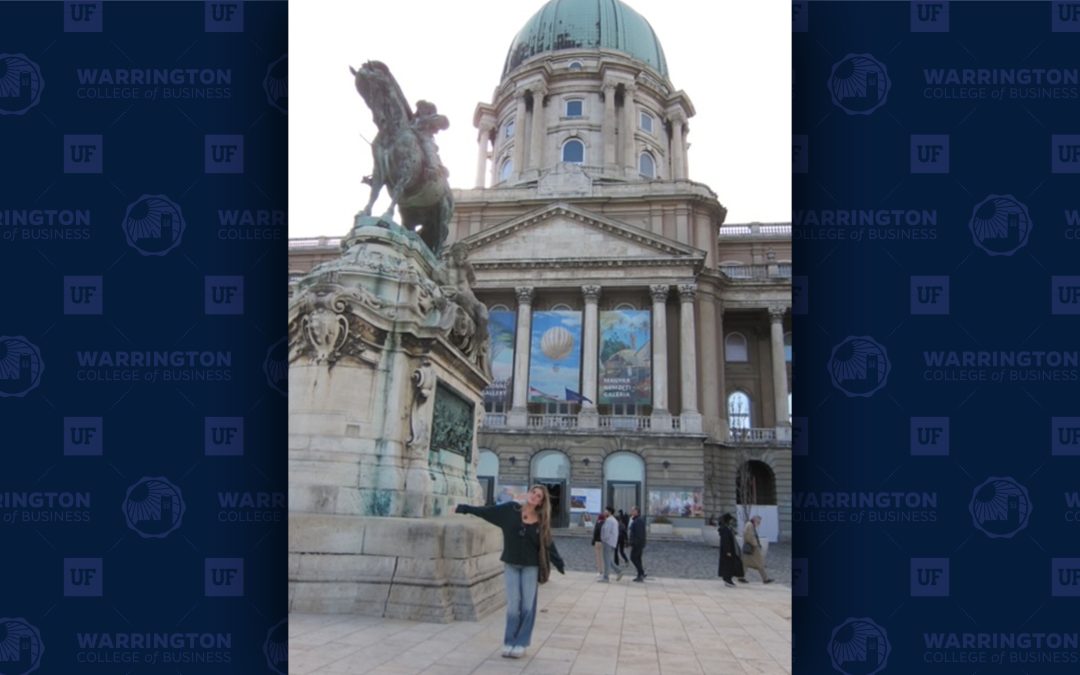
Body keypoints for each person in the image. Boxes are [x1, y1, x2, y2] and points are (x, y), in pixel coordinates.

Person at [456, 485, 565, 658]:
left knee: (527, 606)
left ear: (541, 502)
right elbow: (487, 512)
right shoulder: (509, 510)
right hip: (511, 564)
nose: (535, 497)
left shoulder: (541, 519)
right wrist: (464, 508)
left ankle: (521, 643)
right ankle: (509, 641)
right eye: (534, 493)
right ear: (528, 493)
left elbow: (548, 543)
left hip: (531, 566)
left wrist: (558, 562)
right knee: (513, 606)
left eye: (539, 496)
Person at [741, 515, 774, 584]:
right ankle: (765, 579)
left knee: (746, 563)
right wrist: (755, 544)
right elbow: (749, 536)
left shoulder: (750, 524)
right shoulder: (750, 525)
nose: (759, 523)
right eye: (758, 522)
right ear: (755, 520)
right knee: (758, 563)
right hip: (752, 548)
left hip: (751, 548)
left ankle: (741, 577)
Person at [717, 513, 744, 588]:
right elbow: (725, 542)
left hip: (731, 551)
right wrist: (728, 551)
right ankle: (727, 579)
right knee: (728, 566)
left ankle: (728, 579)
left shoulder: (728, 528)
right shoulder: (725, 530)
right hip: (728, 552)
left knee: (730, 565)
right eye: (730, 520)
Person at [599, 506, 624, 582]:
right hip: (612, 542)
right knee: (608, 559)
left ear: (609, 512)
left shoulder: (609, 520)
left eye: (605, 511)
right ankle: (618, 571)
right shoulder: (613, 520)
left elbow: (606, 531)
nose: (604, 512)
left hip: (608, 542)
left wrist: (603, 539)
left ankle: (606, 577)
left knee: (606, 560)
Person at [628, 506, 647, 582]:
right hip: (638, 543)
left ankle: (641, 573)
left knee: (633, 558)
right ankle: (640, 574)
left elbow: (639, 534)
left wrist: (633, 542)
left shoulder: (638, 521)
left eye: (633, 510)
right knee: (638, 559)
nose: (631, 512)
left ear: (637, 512)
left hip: (637, 544)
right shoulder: (637, 520)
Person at [592, 511, 606, 578]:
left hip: (597, 542)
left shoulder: (598, 523)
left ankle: (599, 571)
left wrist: (593, 541)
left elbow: (595, 533)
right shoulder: (606, 523)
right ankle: (603, 571)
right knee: (603, 557)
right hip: (604, 542)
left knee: (598, 557)